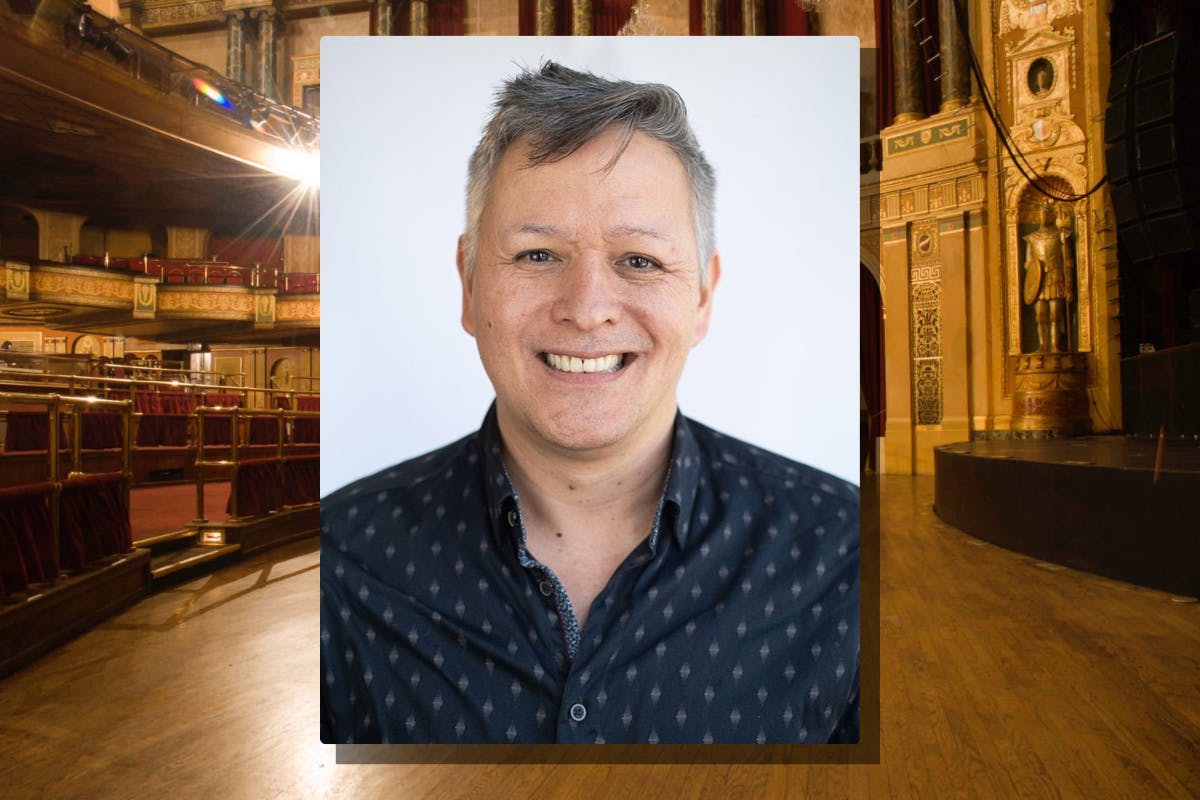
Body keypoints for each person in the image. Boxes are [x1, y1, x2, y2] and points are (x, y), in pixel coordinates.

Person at [321, 62, 860, 745]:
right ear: (468, 284)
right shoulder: (340, 560)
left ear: (701, 298)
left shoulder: (841, 555)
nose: (587, 310)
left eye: (639, 260)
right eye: (539, 255)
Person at [1023, 203, 1075, 352]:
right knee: (1040, 315)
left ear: (1052, 216)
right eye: (1041, 213)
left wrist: (1069, 285)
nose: (1043, 216)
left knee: (1055, 314)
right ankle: (1042, 345)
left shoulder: (1060, 236)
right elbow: (1029, 264)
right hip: (1038, 280)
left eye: (1046, 213)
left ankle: (1055, 345)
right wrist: (1035, 273)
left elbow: (1067, 261)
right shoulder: (1031, 238)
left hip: (1055, 276)